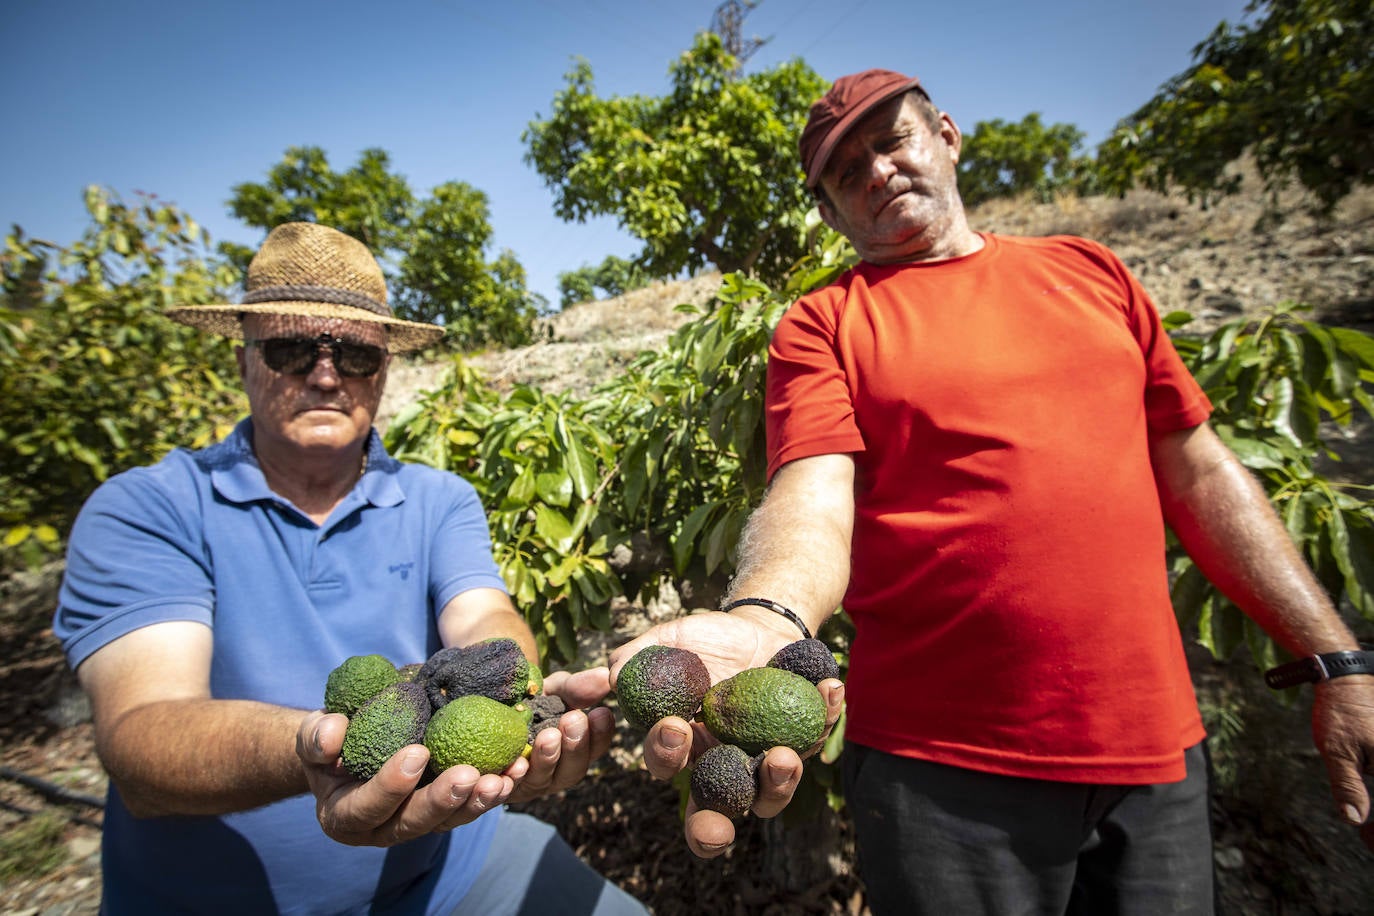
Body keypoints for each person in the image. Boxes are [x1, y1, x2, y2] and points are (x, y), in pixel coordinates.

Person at [608, 69, 1374, 913]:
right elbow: (815, 492)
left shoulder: (1093, 274)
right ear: (829, 213)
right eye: (846, 173)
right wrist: (769, 617)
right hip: (941, 778)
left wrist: (1334, 656)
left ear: (946, 134)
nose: (879, 172)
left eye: (892, 140)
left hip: (1155, 754)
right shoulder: (824, 322)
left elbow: (1200, 469)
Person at [54, 222, 646, 915]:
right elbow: (143, 735)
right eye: (292, 349)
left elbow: (484, 615)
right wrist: (316, 750)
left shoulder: (438, 497)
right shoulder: (147, 506)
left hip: (447, 872)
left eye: (356, 354)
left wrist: (512, 707)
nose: (326, 374)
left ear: (384, 372)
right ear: (244, 359)